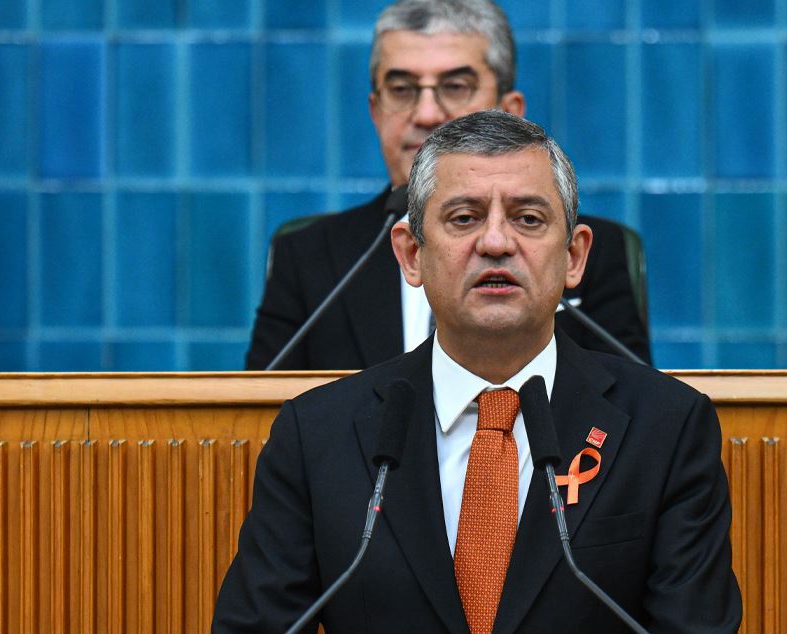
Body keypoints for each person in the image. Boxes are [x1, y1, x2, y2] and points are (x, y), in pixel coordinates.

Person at [196, 110, 760, 634]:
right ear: (411, 254)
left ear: (574, 256)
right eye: (463, 218)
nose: (495, 242)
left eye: (528, 218)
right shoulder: (318, 434)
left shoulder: (663, 429)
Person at [243, 0, 652, 371]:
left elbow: (631, 406)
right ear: (376, 111)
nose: (426, 113)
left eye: (455, 87)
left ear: (510, 113)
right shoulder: (309, 257)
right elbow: (256, 411)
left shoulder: (589, 252)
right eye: (402, 89)